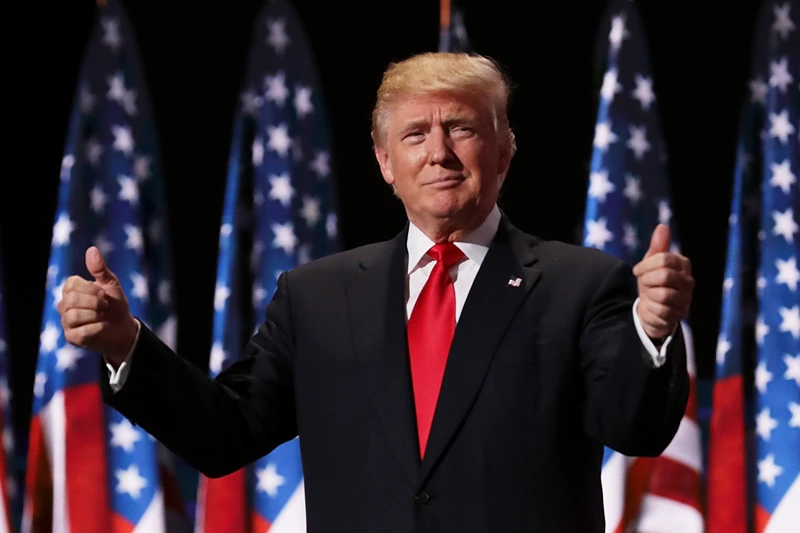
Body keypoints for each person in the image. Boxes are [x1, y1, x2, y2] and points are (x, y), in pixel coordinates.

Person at [57, 52, 693, 532]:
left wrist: (653, 332)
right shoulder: (316, 296)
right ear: (386, 162)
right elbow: (227, 435)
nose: (439, 152)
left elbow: (632, 427)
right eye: (416, 134)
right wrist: (126, 346)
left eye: (462, 129)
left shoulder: (579, 284)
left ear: (504, 151)